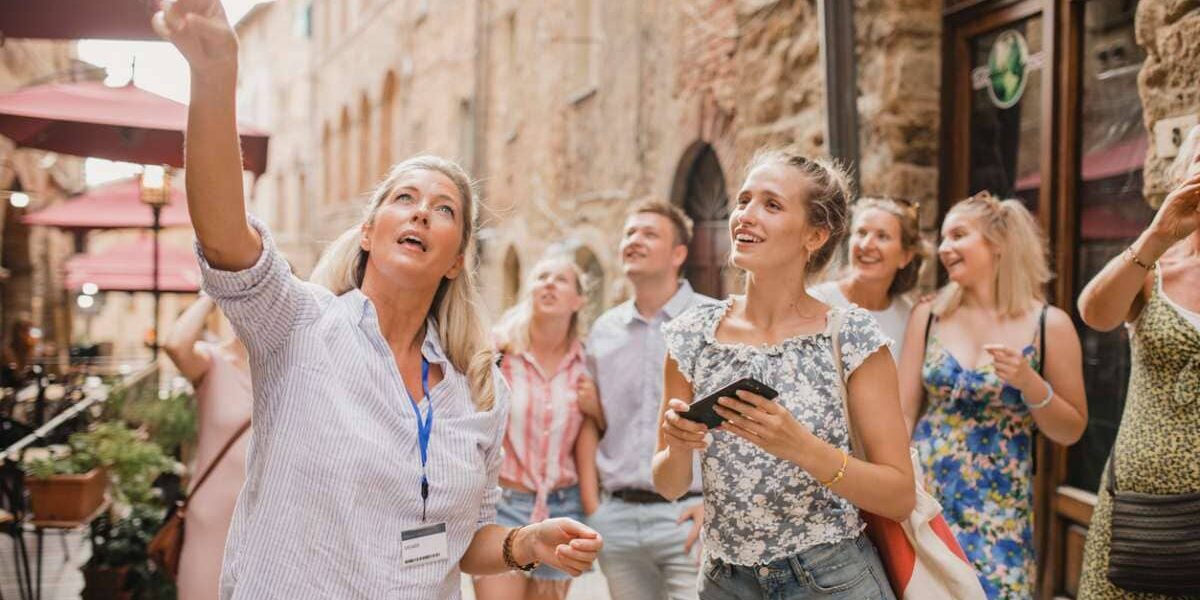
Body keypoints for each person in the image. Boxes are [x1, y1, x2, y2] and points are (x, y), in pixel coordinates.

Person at [151, 3, 601, 598]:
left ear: (457, 257)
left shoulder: (475, 390)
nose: (421, 211)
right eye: (404, 198)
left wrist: (524, 545)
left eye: (444, 210)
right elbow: (224, 233)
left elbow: (460, 540)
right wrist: (213, 74)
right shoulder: (300, 326)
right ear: (368, 231)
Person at [653, 149, 914, 599]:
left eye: (771, 205)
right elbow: (669, 484)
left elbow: (898, 494)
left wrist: (802, 448)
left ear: (814, 235)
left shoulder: (850, 336)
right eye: (743, 201)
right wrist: (677, 447)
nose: (746, 216)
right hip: (724, 582)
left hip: (831, 579)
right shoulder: (693, 334)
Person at [897, 192, 1088, 598]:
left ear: (999, 244)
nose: (945, 248)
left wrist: (1030, 384)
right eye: (944, 238)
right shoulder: (928, 315)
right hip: (928, 499)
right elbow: (903, 413)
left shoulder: (1048, 324)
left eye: (959, 235)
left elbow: (1070, 430)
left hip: (999, 506)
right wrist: (896, 490)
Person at [1074, 128, 1200, 600]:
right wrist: (1157, 235)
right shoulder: (1154, 269)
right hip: (1138, 511)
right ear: (1183, 173)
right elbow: (1094, 313)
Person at [584, 200, 713, 600]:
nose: (634, 241)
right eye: (629, 233)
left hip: (689, 517)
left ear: (679, 254)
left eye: (649, 234)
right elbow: (593, 421)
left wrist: (717, 505)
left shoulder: (715, 322)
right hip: (618, 520)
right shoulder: (604, 330)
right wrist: (596, 510)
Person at [474, 254, 602, 600]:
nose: (548, 283)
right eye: (541, 276)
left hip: (564, 506)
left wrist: (598, 411)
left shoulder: (587, 364)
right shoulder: (497, 353)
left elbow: (592, 439)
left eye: (560, 279)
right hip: (503, 505)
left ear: (578, 300)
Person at [163, 294, 252, 600]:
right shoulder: (213, 362)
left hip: (269, 525)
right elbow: (175, 345)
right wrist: (213, 291)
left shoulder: (293, 371)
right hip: (212, 523)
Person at [810, 197, 929, 362]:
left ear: (905, 256)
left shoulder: (908, 317)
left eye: (882, 236)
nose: (866, 245)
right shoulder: (817, 300)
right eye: (861, 233)